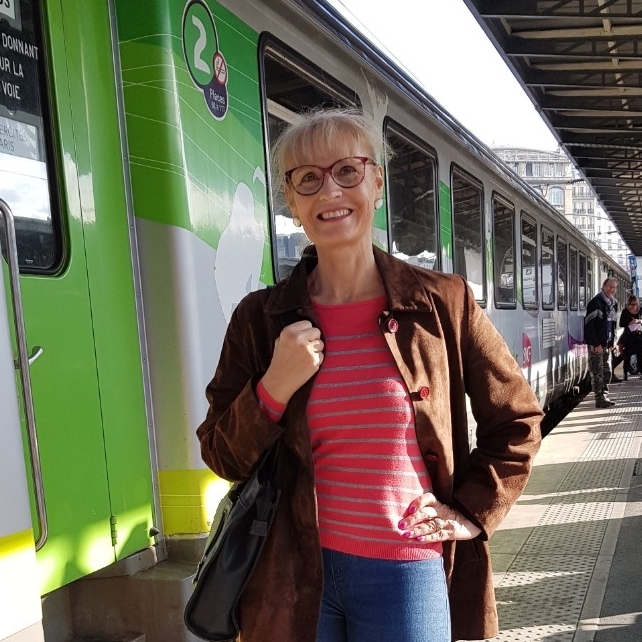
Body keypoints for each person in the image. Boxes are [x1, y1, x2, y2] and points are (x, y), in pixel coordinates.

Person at [196, 108, 543, 642]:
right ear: (291, 201)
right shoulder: (259, 319)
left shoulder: (441, 304)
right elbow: (222, 455)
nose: (329, 191)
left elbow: (518, 419)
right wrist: (273, 389)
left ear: (376, 183)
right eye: (307, 179)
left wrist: (471, 512)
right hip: (293, 579)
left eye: (347, 171)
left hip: (405, 574)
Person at [585, 277, 619, 407]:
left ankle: (604, 396)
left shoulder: (613, 303)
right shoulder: (595, 303)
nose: (612, 289)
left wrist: (612, 342)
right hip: (597, 345)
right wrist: (596, 344)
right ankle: (599, 400)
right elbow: (589, 326)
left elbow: (613, 324)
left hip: (606, 344)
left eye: (614, 287)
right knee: (597, 373)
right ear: (603, 286)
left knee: (607, 372)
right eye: (610, 286)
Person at [612, 294, 642, 380]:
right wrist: (630, 323)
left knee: (640, 355)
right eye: (631, 304)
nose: (633, 306)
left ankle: (641, 372)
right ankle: (625, 374)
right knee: (627, 355)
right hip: (628, 337)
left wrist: (639, 321)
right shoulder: (625, 311)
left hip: (639, 336)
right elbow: (621, 323)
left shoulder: (640, 311)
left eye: (635, 304)